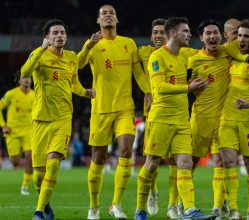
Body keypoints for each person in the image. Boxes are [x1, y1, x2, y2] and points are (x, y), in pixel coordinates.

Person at [77, 4, 152, 220]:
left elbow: (138, 71)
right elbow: (79, 64)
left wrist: (147, 91)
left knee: (126, 151)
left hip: (124, 108)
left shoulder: (128, 44)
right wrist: (88, 46)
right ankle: (93, 207)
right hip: (100, 109)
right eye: (104, 14)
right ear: (98, 21)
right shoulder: (93, 43)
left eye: (111, 13)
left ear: (117, 20)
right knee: (98, 157)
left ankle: (116, 204)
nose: (108, 16)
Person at [134, 17, 213, 220]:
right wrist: (188, 88)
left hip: (181, 119)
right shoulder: (157, 57)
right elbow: (159, 88)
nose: (189, 35)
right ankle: (140, 209)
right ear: (172, 33)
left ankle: (188, 210)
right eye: (185, 31)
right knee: (151, 164)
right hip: (160, 118)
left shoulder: (183, 56)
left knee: (184, 163)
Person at [21, 18, 95, 220]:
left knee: (53, 163)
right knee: (38, 175)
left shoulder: (71, 57)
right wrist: (39, 50)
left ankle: (38, 212)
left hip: (63, 118)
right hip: (40, 120)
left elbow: (74, 84)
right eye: (55, 33)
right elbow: (25, 72)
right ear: (47, 37)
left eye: (62, 32)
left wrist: (85, 92)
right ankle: (45, 204)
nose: (59, 36)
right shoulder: (39, 55)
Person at [218, 19, 249, 220]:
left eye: (246, 36)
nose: (241, 39)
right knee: (228, 162)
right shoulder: (231, 55)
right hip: (227, 119)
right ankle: (233, 210)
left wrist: (247, 104)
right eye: (239, 35)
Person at [187, 19, 232, 219]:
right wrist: (191, 87)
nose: (212, 37)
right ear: (201, 38)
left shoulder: (229, 54)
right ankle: (181, 204)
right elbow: (184, 84)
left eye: (215, 33)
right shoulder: (193, 60)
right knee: (191, 161)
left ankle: (217, 207)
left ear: (221, 35)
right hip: (200, 118)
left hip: (223, 118)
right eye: (208, 33)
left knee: (220, 160)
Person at [137, 18, 168, 217]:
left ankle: (175, 204)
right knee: (153, 157)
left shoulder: (180, 53)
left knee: (176, 160)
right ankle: (153, 192)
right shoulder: (143, 52)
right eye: (155, 32)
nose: (158, 36)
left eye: (162, 32)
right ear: (151, 36)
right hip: (152, 110)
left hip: (176, 111)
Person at [0, 72, 34, 196]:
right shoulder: (11, 94)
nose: (27, 80)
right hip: (13, 132)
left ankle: (24, 186)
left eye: (28, 78)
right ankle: (16, 161)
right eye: (24, 78)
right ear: (19, 81)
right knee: (15, 161)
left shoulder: (35, 96)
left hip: (29, 132)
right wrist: (3, 125)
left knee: (30, 156)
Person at [223, 18, 248, 177]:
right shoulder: (220, 54)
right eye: (235, 34)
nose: (239, 38)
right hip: (222, 112)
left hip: (246, 110)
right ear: (225, 35)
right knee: (222, 161)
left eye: (241, 33)